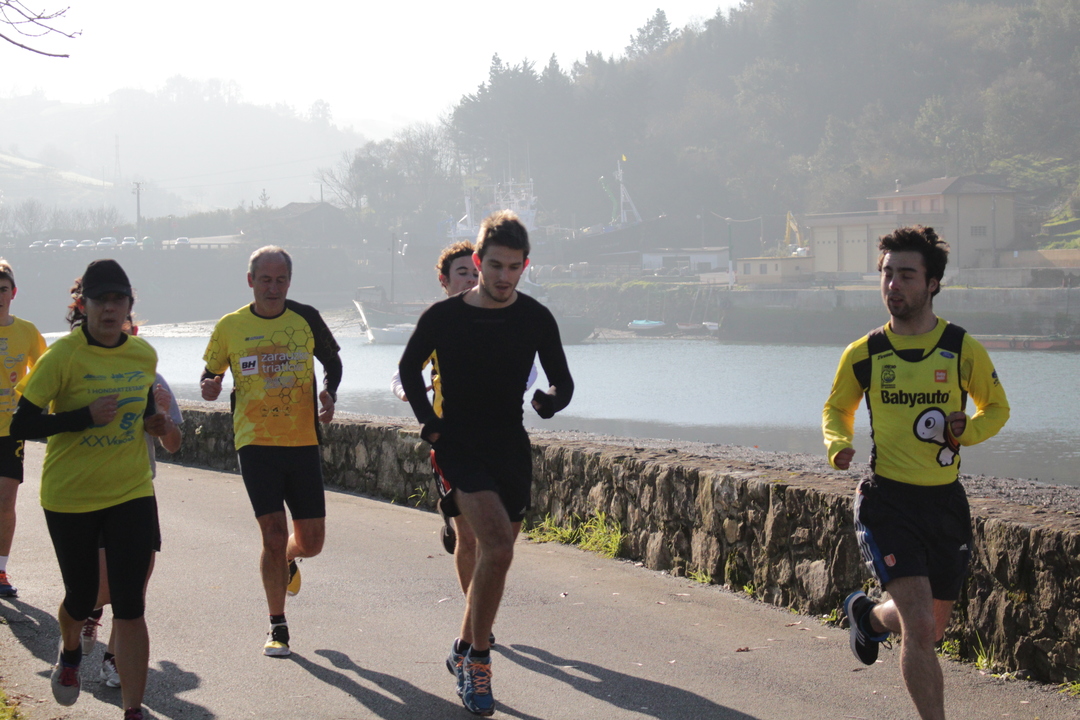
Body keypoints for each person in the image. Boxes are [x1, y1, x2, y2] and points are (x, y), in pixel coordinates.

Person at [822, 226, 1010, 720]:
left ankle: (869, 617)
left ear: (932, 284)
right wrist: (838, 443)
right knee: (922, 627)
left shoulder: (959, 347)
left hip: (944, 504)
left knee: (931, 628)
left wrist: (966, 431)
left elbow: (997, 408)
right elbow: (837, 408)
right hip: (887, 502)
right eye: (887, 274)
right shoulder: (864, 353)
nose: (893, 285)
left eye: (907, 275)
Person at [399, 211, 574, 716]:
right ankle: (478, 663)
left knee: (496, 558)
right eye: (495, 265)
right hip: (459, 446)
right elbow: (409, 369)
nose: (504, 276)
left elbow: (563, 380)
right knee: (495, 544)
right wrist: (430, 425)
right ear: (478, 262)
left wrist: (550, 401)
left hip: (509, 446)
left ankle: (461, 648)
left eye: (514, 267)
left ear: (525, 266)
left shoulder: (535, 317)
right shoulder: (444, 317)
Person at [10, 259, 169, 720]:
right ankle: (71, 649)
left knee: (130, 605)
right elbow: (22, 424)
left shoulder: (142, 355)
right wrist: (83, 417)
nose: (110, 309)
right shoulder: (63, 356)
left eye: (119, 300)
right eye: (101, 300)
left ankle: (132, 711)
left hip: (130, 490)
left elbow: (142, 410)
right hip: (71, 496)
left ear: (129, 304)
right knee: (81, 598)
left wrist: (154, 422)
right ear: (84, 305)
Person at [200, 245, 342, 658]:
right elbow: (210, 374)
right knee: (273, 534)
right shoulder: (230, 326)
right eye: (265, 280)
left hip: (302, 441)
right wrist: (209, 387)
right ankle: (277, 625)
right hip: (255, 441)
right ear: (251, 281)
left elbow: (333, 363)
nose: (273, 288)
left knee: (311, 541)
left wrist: (329, 392)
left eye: (281, 280)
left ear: (289, 282)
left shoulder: (306, 318)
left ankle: (289, 560)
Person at [81, 315, 183, 689]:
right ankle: (90, 610)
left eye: (128, 328)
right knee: (103, 587)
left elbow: (174, 445)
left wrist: (164, 418)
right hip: (92, 494)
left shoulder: (152, 380)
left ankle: (113, 660)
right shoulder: (82, 374)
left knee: (134, 588)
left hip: (138, 492)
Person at [0, 260, 48, 598]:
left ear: (13, 293)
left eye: (3, 289)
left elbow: (46, 370)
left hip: (11, 431)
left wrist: (27, 397)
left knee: (5, 502)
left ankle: (0, 571)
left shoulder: (27, 331)